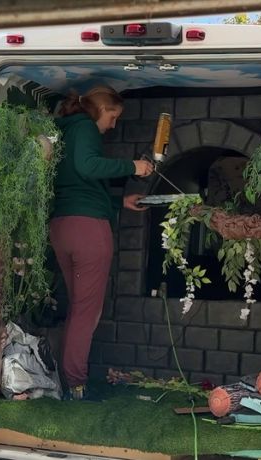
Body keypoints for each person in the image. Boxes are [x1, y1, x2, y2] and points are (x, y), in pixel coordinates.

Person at [50, 84, 154, 400]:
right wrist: (133, 166)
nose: (114, 125)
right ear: (101, 110)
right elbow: (88, 166)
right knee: (87, 312)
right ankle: (76, 385)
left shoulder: (68, 130)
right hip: (88, 231)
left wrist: (120, 202)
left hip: (63, 226)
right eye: (113, 116)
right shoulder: (85, 128)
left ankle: (66, 379)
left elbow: (78, 181)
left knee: (77, 308)